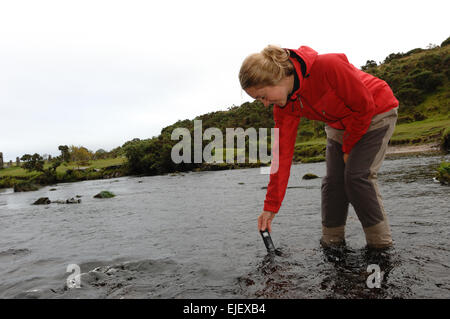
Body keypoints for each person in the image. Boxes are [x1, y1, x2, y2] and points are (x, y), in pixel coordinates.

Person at [239, 45, 399, 249]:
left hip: (376, 111)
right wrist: (270, 207)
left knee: (356, 177)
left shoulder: (328, 66)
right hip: (338, 124)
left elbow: (363, 106)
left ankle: (381, 245)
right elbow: (282, 156)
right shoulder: (284, 106)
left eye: (262, 96)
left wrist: (349, 147)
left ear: (277, 77)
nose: (264, 103)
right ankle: (332, 242)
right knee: (332, 183)